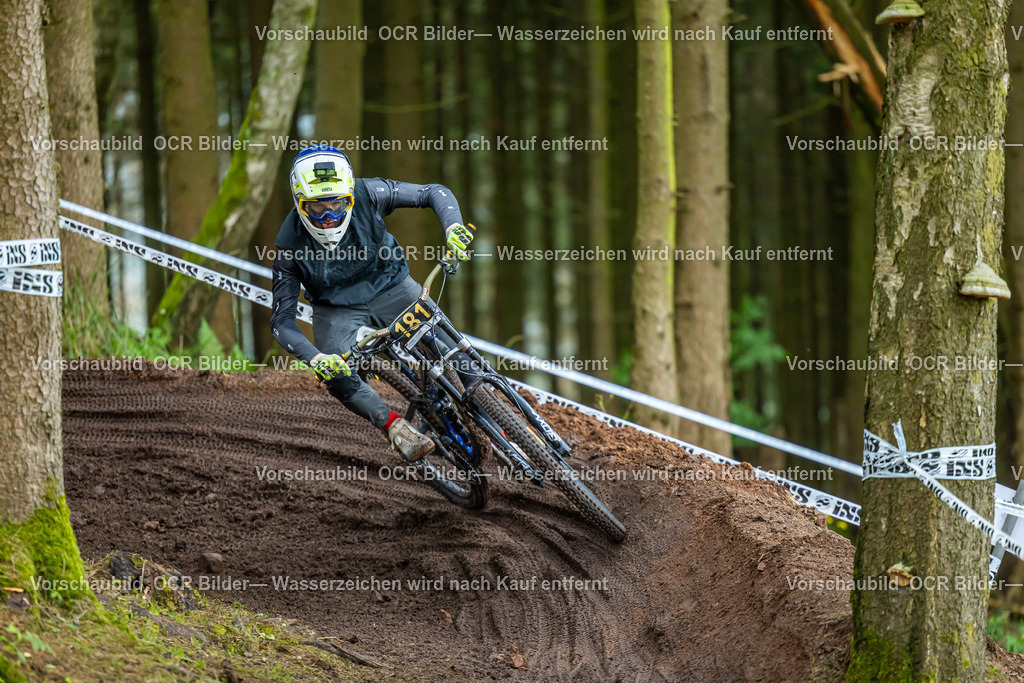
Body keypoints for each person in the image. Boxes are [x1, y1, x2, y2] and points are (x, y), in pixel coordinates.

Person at [270, 144, 475, 461]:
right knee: (336, 375)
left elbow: (433, 192)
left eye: (337, 204)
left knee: (452, 349)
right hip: (337, 309)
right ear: (299, 203)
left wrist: (453, 228)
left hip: (391, 284)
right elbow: (281, 322)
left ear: (350, 196)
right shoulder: (288, 246)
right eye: (317, 208)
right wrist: (316, 358)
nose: (329, 217)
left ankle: (497, 421)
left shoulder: (369, 192)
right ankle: (394, 427)